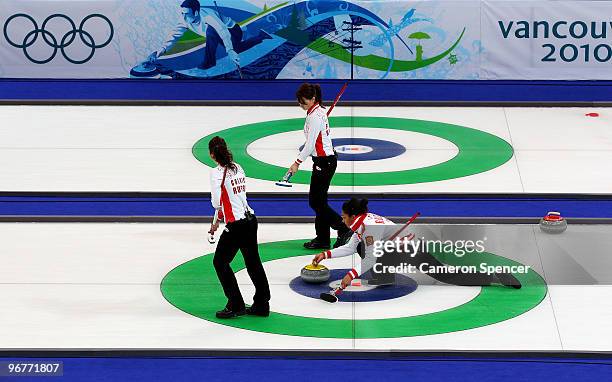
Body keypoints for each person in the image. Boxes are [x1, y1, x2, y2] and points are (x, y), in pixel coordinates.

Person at [312, 198, 522, 290]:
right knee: (360, 247)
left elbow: (370, 259)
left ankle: (495, 274)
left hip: (411, 250)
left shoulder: (369, 227)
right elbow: (350, 247)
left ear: (353, 216)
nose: (341, 219)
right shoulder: (361, 223)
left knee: (446, 275)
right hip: (396, 248)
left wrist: (349, 276)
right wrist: (326, 255)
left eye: (343, 215)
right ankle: (384, 276)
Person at [208, 136, 270, 318]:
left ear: (212, 154)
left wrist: (216, 219)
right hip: (250, 220)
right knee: (253, 263)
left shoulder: (216, 173)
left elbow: (216, 203)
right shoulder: (238, 167)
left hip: (237, 225)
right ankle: (262, 303)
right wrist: (216, 222)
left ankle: (235, 304)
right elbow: (233, 199)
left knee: (220, 262)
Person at [288, 83, 351, 250]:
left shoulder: (315, 116)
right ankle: (322, 238)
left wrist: (297, 163)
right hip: (322, 161)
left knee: (316, 202)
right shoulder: (317, 112)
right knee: (319, 201)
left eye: (304, 102)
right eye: (299, 102)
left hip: (325, 162)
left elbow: (309, 146)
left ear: (313, 99)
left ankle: (343, 229)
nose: (301, 105)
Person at [149, 0, 268, 69]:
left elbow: (223, 31)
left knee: (214, 34)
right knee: (235, 47)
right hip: (217, 34)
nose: (183, 17)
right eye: (182, 13)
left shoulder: (208, 16)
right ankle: (260, 36)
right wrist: (159, 51)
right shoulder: (184, 20)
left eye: (186, 14)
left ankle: (209, 61)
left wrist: (230, 50)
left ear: (196, 12)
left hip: (232, 30)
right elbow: (173, 36)